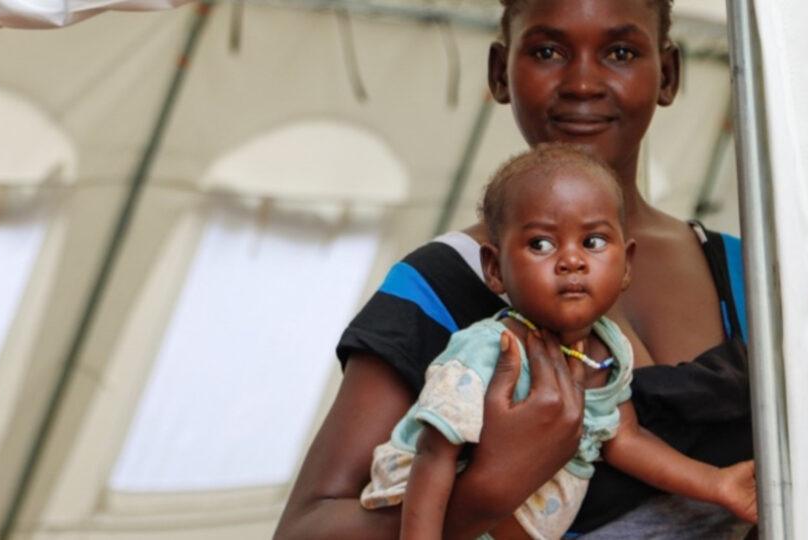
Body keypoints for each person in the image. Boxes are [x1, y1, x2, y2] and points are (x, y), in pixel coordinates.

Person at [275, 0, 752, 537]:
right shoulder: (439, 286)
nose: (582, 82)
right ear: (499, 72)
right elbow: (304, 529)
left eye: (620, 52)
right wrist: (486, 491)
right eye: (548, 51)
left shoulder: (747, 273)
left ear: (668, 75)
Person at [359, 145, 757, 539]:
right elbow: (433, 458)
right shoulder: (488, 353)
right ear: (495, 270)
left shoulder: (609, 349)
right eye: (541, 245)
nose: (572, 260)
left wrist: (717, 484)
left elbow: (625, 438)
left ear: (626, 266)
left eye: (594, 242)